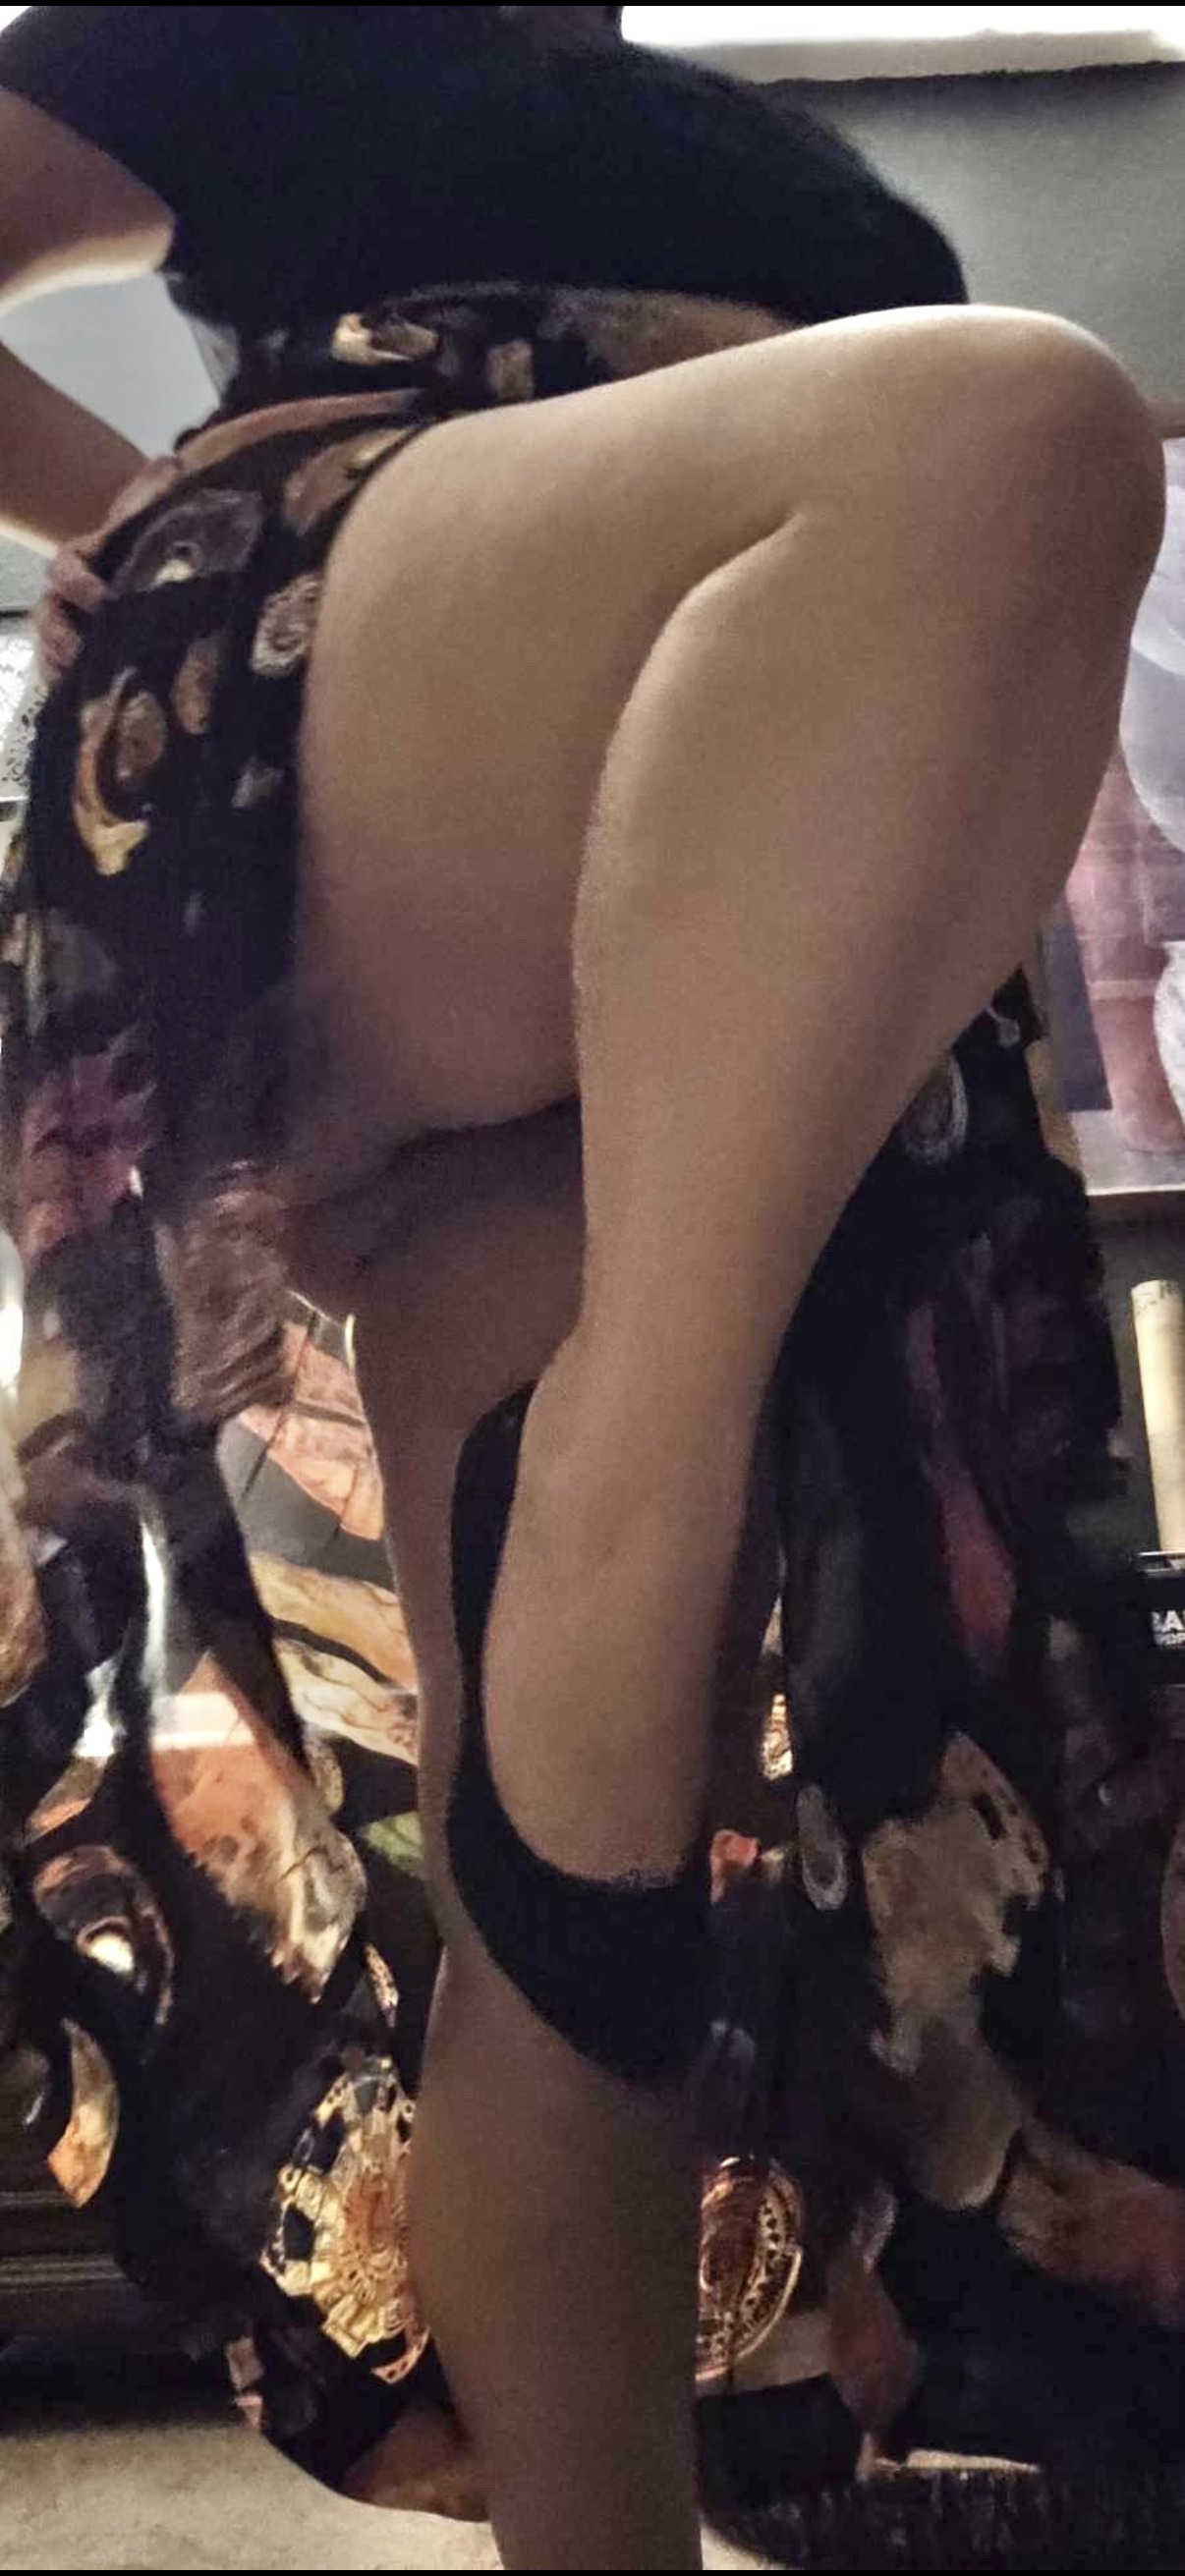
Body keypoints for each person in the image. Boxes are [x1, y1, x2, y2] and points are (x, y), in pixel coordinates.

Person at [0, 6, 1170, 2567]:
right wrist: (121, 509)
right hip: (342, 692)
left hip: (644, 924)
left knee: (582, 1849)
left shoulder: (699, 131)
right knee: (1021, 424)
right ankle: (651, 1425)